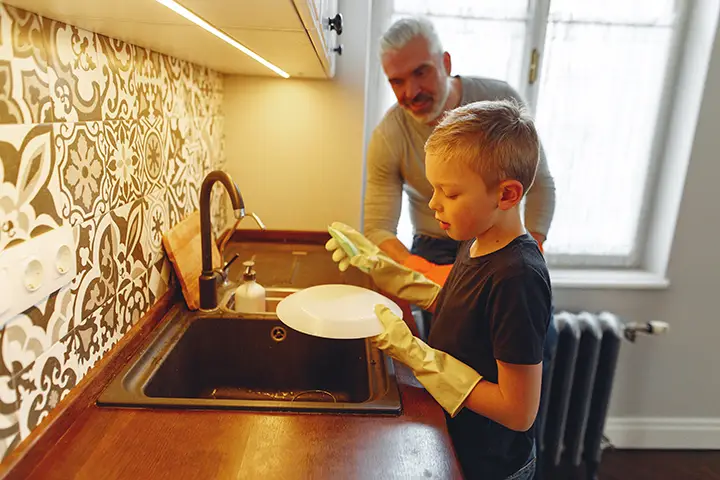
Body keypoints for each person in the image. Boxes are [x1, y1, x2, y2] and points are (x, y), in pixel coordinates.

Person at [326, 100, 552, 479]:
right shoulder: (479, 239)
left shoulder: (518, 279)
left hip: (491, 467)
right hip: (459, 441)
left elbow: (518, 411)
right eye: (433, 189)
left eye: (449, 193)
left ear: (507, 195)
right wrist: (382, 268)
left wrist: (417, 355)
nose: (433, 205)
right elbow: (458, 305)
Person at [364, 15, 556, 335]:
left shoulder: (498, 101)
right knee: (450, 339)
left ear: (446, 62)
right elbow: (377, 228)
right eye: (396, 81)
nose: (410, 91)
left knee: (532, 331)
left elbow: (539, 184)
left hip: (501, 241)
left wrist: (528, 254)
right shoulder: (388, 135)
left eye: (421, 72)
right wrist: (427, 272)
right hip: (432, 248)